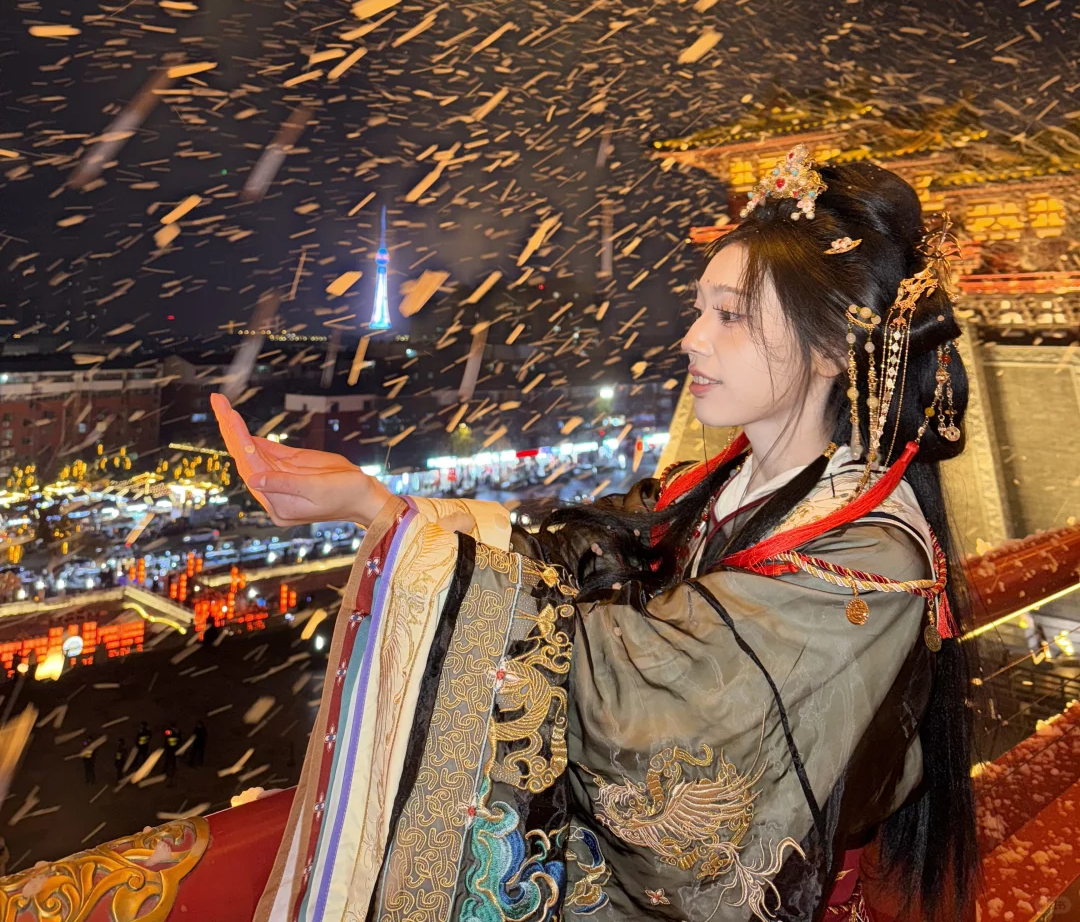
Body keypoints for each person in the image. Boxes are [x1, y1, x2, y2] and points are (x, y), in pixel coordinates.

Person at [211, 153, 977, 922]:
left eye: (731, 315)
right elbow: (561, 565)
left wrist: (429, 567)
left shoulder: (869, 555)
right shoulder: (701, 491)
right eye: (700, 308)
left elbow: (665, 691)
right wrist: (372, 505)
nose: (692, 339)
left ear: (833, 348)